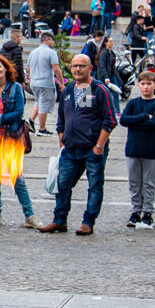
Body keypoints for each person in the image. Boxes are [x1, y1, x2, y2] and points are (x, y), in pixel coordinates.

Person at [39, 53, 117, 236]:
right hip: (70, 149)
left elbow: (110, 120)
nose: (77, 69)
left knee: (95, 186)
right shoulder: (67, 91)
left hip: (92, 149)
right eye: (74, 66)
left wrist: (99, 146)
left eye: (81, 66)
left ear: (90, 68)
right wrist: (62, 141)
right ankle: (59, 220)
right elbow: (61, 120)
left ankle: (88, 222)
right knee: (62, 185)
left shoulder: (99, 90)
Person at [0, 53, 39, 229]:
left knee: (17, 177)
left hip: (10, 137)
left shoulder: (15, 88)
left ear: (6, 68)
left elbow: (19, 112)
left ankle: (29, 215)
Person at [118, 70, 155, 229]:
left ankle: (147, 212)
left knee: (149, 183)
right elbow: (124, 120)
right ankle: (135, 211)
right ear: (138, 85)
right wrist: (144, 116)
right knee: (134, 182)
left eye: (149, 84)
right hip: (133, 148)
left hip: (151, 149)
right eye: (143, 84)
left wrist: (136, 122)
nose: (145, 87)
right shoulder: (133, 103)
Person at [26, 32, 61, 135]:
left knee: (38, 102)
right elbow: (56, 69)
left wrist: (30, 78)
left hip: (34, 82)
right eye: (52, 40)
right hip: (45, 82)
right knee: (44, 105)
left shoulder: (33, 52)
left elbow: (28, 68)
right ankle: (42, 128)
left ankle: (31, 119)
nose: (53, 42)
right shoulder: (51, 52)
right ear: (47, 40)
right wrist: (61, 83)